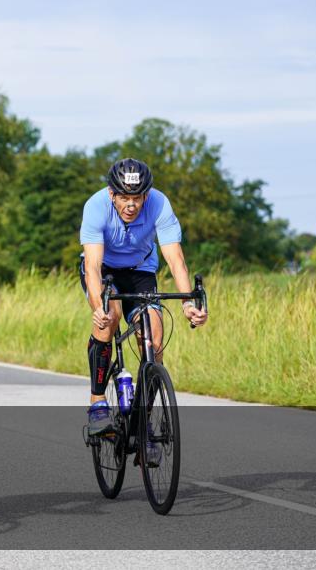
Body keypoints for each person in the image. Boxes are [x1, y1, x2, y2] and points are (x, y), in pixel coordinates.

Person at [79, 158, 208, 444]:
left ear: (145, 195)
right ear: (112, 194)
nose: (130, 205)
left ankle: (143, 419)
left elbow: (176, 260)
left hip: (140, 271)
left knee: (154, 338)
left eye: (136, 198)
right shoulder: (96, 206)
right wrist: (98, 308)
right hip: (105, 271)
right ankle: (98, 402)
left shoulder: (160, 204)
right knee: (109, 318)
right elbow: (92, 267)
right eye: (123, 197)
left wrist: (188, 304)